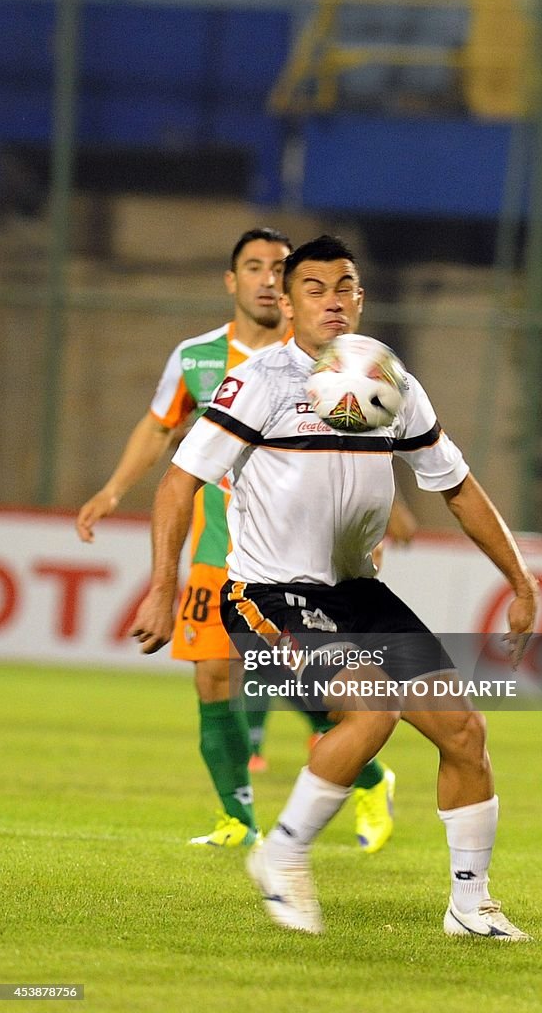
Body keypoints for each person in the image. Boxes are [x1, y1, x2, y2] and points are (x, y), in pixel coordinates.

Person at [131, 234, 538, 938]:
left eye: (344, 286)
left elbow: (459, 487)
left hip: (357, 591)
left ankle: (471, 907)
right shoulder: (260, 380)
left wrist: (520, 579)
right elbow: (177, 483)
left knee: (465, 733)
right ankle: (281, 854)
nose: (332, 299)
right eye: (313, 287)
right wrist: (162, 589)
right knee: (372, 709)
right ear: (287, 303)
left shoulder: (388, 380)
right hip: (270, 593)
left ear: (361, 298)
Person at [77, 227, 406, 854]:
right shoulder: (198, 359)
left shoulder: (332, 366)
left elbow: (362, 446)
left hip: (296, 560)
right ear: (234, 282)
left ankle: (367, 774)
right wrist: (115, 490)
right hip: (215, 548)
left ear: (288, 290)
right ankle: (237, 818)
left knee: (298, 680)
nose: (264, 277)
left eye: (276, 267)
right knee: (213, 678)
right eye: (252, 266)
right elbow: (157, 430)